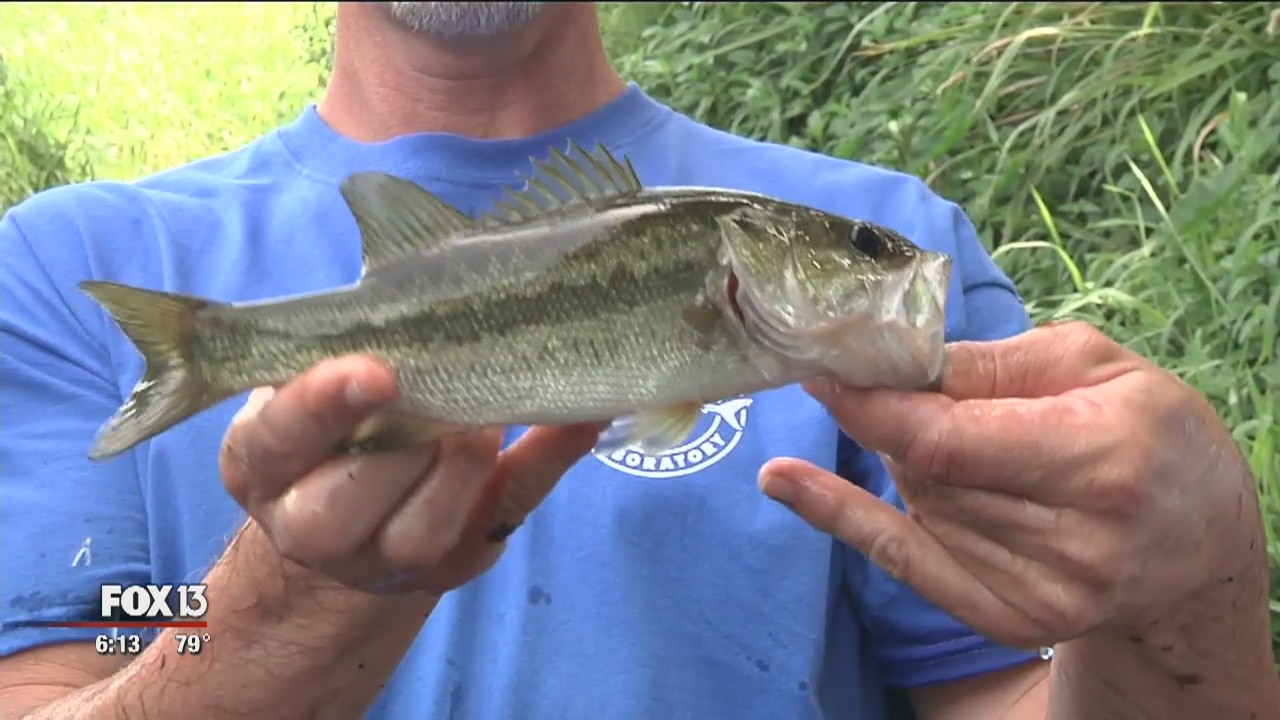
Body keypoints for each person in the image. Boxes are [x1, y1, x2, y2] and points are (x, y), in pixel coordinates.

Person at [0, 3, 1275, 718]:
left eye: (853, 253)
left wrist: (1186, 603)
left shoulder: (906, 276)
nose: (869, 260)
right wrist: (291, 602)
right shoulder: (61, 268)